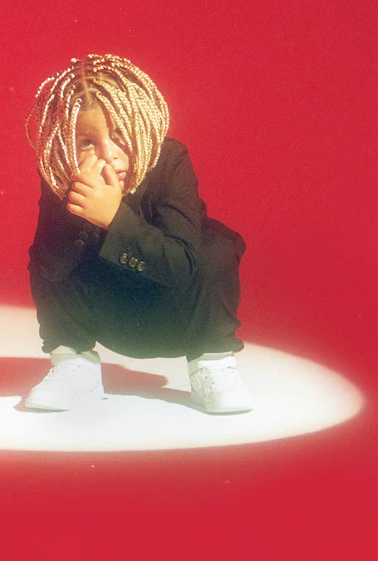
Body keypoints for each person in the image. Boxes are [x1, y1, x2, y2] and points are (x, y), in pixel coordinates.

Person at [23, 54, 254, 414]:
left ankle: (212, 364)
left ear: (140, 123)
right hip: (110, 316)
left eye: (119, 133)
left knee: (215, 248)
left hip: (177, 313)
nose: (108, 154)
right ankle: (74, 365)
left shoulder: (170, 160)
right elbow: (50, 268)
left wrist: (116, 218)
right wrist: (80, 208)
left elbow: (183, 266)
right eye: (87, 142)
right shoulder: (61, 173)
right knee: (48, 252)